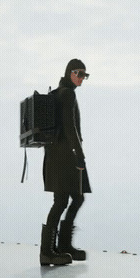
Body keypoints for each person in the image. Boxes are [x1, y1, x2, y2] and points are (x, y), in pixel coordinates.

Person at [40, 59, 92, 265]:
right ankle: (47, 251)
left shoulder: (62, 92)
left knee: (75, 198)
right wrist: (79, 155)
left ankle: (62, 246)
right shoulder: (67, 94)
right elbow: (71, 128)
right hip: (65, 156)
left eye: (84, 75)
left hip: (57, 155)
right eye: (78, 73)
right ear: (69, 72)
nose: (81, 78)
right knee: (63, 201)